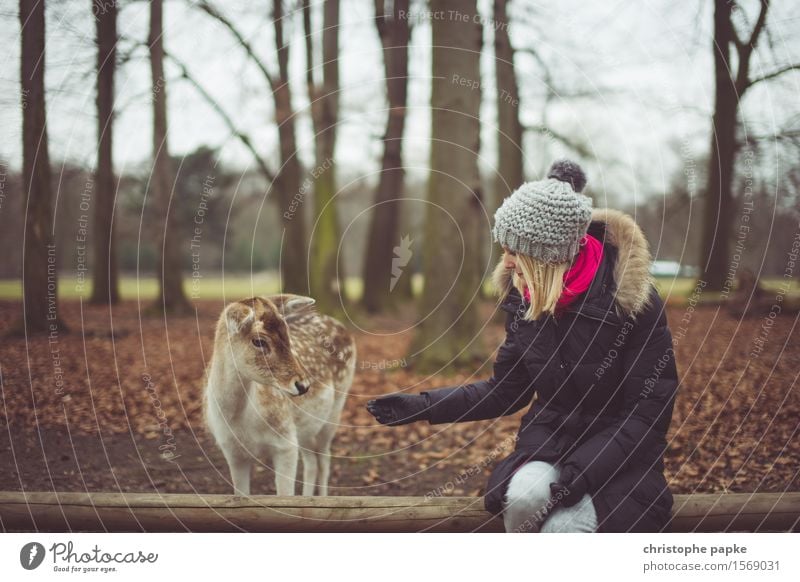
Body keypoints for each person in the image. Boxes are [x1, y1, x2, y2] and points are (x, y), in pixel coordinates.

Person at [366, 159, 679, 533]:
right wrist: (420, 406)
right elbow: (506, 391)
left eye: (516, 250)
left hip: (622, 460)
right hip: (551, 442)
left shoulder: (633, 304)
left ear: (550, 254)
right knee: (523, 498)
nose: (507, 261)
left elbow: (646, 415)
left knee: (563, 530)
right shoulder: (525, 302)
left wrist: (581, 473)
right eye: (505, 248)